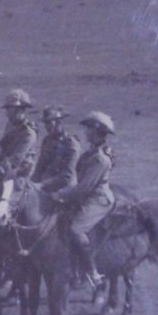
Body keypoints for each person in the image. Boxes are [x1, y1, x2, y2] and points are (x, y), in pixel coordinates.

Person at [51, 111, 116, 288]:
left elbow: (84, 188)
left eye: (90, 129)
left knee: (75, 229)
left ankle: (92, 272)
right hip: (86, 196)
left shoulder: (101, 159)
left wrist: (59, 195)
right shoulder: (89, 154)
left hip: (98, 199)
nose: (86, 132)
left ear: (98, 132)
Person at [32, 105, 81, 193]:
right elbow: (40, 167)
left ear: (58, 122)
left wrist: (42, 184)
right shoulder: (47, 141)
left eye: (49, 123)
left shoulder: (71, 144)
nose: (46, 126)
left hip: (65, 191)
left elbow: (67, 177)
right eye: (45, 123)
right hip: (46, 188)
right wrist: (31, 184)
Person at [0, 88, 39, 178]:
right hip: (7, 170)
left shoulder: (29, 133)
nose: (7, 113)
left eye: (10, 109)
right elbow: (4, 151)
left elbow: (16, 160)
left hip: (21, 176)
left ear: (20, 110)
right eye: (7, 109)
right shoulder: (10, 126)